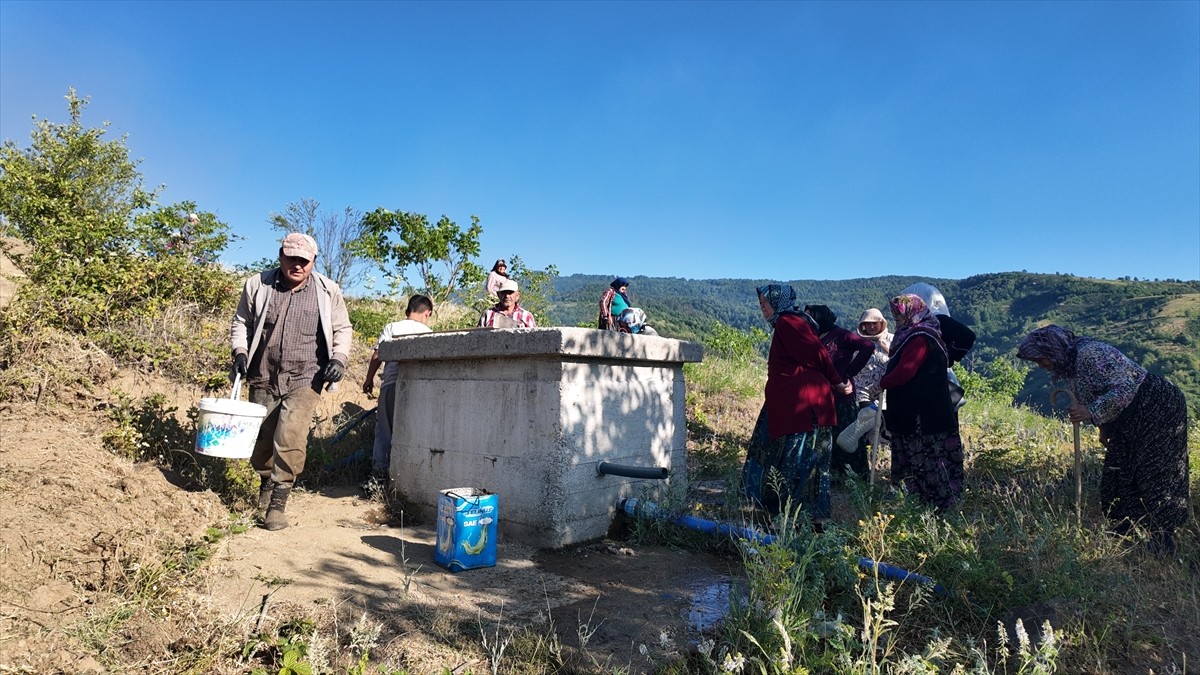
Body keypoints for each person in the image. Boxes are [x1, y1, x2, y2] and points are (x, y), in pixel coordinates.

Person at [1017, 326, 1189, 554]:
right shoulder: (1066, 367)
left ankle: (1162, 539)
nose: (1041, 365)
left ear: (1054, 349)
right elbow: (1096, 393)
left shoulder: (1092, 354)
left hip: (1157, 406)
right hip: (1125, 415)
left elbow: (1125, 387)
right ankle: (1125, 529)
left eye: (1041, 358)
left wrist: (1092, 412)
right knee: (1119, 469)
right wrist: (1104, 426)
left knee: (1155, 470)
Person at [230, 232, 353, 531]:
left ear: (313, 262)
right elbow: (241, 322)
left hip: (306, 376)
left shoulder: (328, 290)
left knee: (291, 438)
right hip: (263, 372)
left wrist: (338, 359)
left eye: (303, 261)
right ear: (280, 256)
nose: (297, 266)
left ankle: (278, 503)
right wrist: (239, 352)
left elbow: (343, 328)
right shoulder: (257, 285)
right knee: (262, 440)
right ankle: (265, 482)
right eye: (291, 258)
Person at [742, 285, 848, 524]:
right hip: (794, 403)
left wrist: (838, 382)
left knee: (796, 457)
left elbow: (817, 355)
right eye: (761, 304)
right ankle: (797, 512)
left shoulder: (789, 323)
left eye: (765, 304)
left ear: (778, 303)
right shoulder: (791, 323)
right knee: (797, 456)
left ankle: (790, 513)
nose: (762, 308)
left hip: (801, 406)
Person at [879, 294, 963, 511]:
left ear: (911, 312)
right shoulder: (915, 334)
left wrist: (882, 383)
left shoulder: (920, 338)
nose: (897, 320)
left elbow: (906, 371)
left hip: (923, 416)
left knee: (929, 461)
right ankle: (917, 506)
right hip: (917, 412)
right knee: (918, 460)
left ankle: (935, 508)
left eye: (899, 315)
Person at [361, 294, 434, 484]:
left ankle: (379, 477)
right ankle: (408, 479)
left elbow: (378, 355)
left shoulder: (393, 327)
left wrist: (369, 379)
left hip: (392, 384)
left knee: (385, 430)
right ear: (428, 313)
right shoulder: (431, 333)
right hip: (422, 389)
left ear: (407, 311)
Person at [803, 305, 874, 478]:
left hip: (841, 395)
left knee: (845, 435)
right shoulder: (814, 336)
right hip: (821, 394)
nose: (807, 321)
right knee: (825, 435)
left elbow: (868, 346)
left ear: (821, 318)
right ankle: (829, 472)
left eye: (810, 317)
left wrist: (848, 373)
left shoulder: (841, 335)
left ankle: (854, 474)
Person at [836, 308, 893, 466]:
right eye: (868, 324)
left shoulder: (892, 339)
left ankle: (879, 466)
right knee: (865, 431)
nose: (872, 327)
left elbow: (899, 362)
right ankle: (861, 467)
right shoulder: (856, 342)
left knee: (884, 434)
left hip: (887, 393)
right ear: (862, 326)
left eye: (875, 323)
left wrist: (885, 348)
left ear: (882, 323)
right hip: (863, 393)